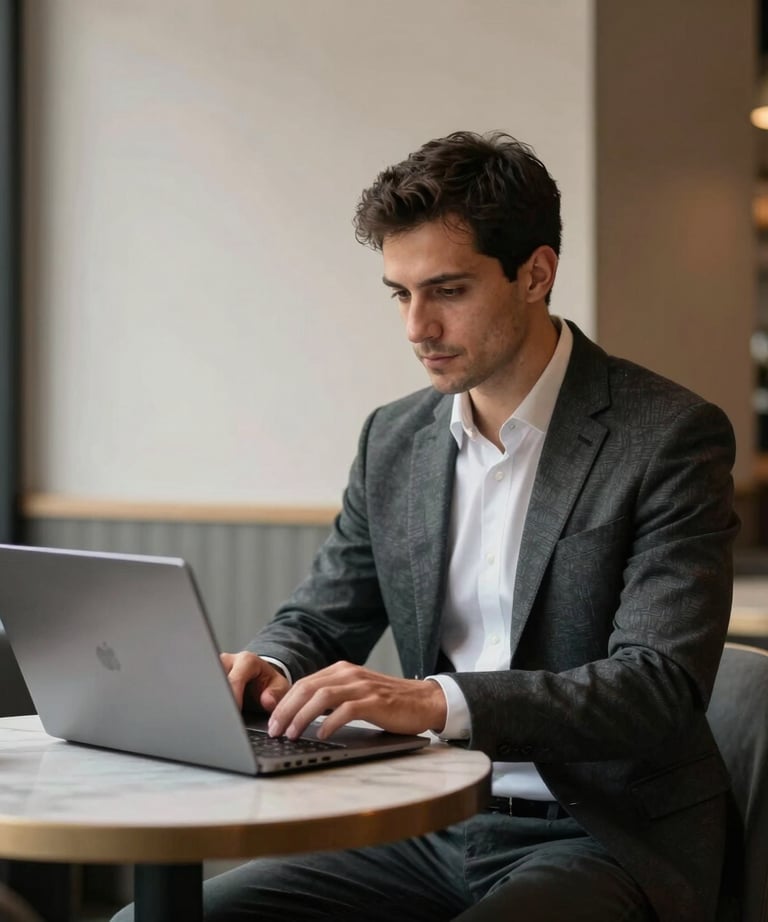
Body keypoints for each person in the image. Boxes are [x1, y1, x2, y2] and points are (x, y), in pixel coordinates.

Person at [115, 131, 739, 922]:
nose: (417, 327)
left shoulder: (668, 435)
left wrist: (434, 702)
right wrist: (269, 665)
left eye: (447, 291)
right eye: (399, 294)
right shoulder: (394, 439)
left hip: (603, 834)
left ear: (535, 274)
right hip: (424, 821)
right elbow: (322, 614)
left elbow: (657, 687)